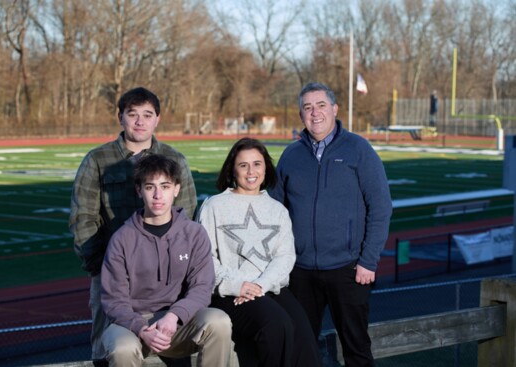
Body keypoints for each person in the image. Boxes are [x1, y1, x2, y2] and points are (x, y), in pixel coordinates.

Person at [69, 87, 197, 366]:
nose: (140, 121)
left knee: (174, 345)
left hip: (167, 276)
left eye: (147, 115)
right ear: (120, 118)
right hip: (113, 273)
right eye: (133, 114)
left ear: (157, 119)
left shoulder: (175, 159)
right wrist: (101, 267)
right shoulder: (98, 160)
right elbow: (83, 218)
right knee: (109, 348)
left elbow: (186, 216)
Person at [269, 82, 392, 367]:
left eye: (321, 105)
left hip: (348, 270)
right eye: (308, 107)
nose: (315, 113)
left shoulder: (358, 149)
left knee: (356, 349)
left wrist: (368, 261)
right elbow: (275, 210)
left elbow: (381, 207)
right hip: (300, 272)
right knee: (300, 349)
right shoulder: (291, 155)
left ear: (334, 109)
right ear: (301, 114)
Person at [197, 137, 322, 367]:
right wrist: (239, 286)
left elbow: (285, 257)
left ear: (266, 167)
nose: (251, 171)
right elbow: (204, 260)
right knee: (276, 325)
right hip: (229, 294)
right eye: (243, 165)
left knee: (306, 341)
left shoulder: (277, 209)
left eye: (257, 163)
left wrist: (260, 286)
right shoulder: (213, 206)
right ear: (232, 170)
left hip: (268, 288)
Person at [100, 154, 232, 367]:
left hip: (178, 323)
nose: (158, 195)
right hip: (133, 325)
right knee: (122, 348)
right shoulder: (122, 238)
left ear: (177, 189)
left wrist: (174, 316)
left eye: (165, 186)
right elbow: (114, 301)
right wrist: (141, 329)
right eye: (150, 187)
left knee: (218, 321)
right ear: (139, 190)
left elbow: (202, 287)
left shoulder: (194, 233)